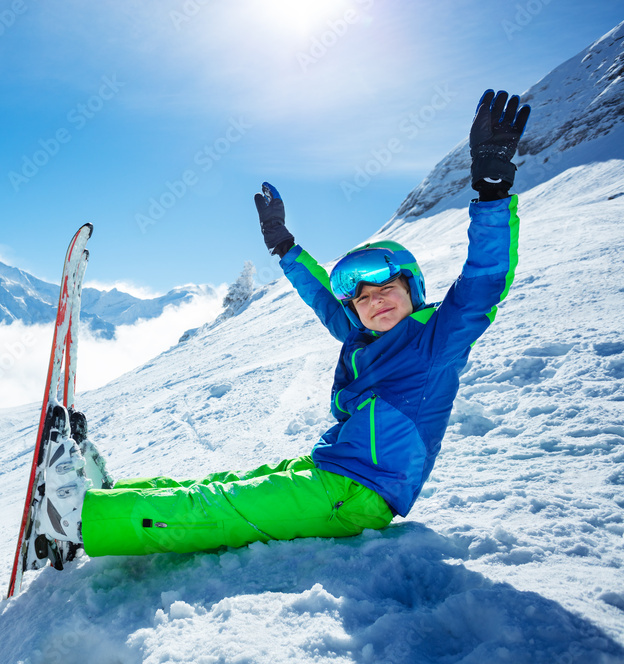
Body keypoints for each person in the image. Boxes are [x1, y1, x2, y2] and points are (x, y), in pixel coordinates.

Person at [36, 89, 530, 559]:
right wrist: (283, 244)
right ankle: (108, 497)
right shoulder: (362, 336)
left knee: (222, 512)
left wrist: (491, 190)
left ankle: (78, 522)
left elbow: (484, 281)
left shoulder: (435, 342)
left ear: (412, 292)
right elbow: (321, 294)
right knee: (220, 488)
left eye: (387, 291)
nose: (375, 303)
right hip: (334, 471)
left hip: (360, 493)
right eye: (362, 299)